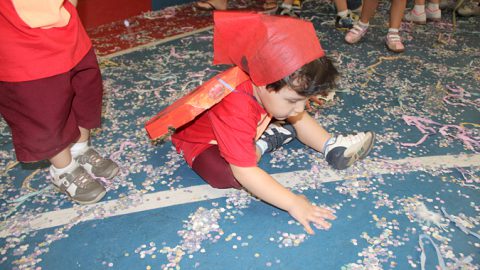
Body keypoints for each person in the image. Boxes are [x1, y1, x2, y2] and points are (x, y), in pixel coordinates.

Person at [171, 12, 375, 234]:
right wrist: (293, 203)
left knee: (288, 112)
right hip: (203, 142)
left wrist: (292, 105)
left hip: (250, 122)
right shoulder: (237, 107)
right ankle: (264, 141)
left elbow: (291, 105)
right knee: (227, 175)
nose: (301, 107)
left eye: (304, 99)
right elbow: (245, 172)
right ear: (261, 82)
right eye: (295, 99)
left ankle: (331, 146)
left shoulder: (274, 90)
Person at [0, 0, 119, 204]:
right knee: (43, 109)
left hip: (65, 27)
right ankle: (63, 169)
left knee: (84, 91)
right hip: (20, 41)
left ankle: (80, 149)